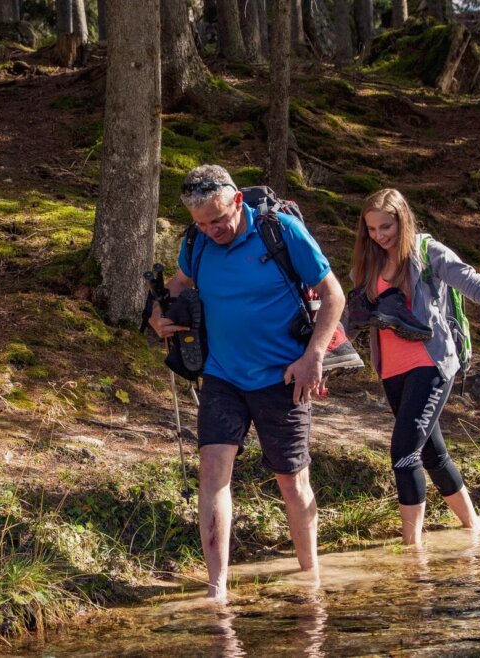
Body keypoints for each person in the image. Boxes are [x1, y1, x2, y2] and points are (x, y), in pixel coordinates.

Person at [148, 164, 348, 601]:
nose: (212, 230)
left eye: (218, 220)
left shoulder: (282, 232)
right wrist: (160, 315)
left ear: (237, 201)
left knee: (291, 479)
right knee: (213, 470)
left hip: (283, 376)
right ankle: (216, 587)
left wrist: (313, 357)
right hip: (221, 376)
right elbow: (178, 285)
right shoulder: (196, 242)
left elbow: (333, 293)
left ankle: (310, 576)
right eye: (201, 223)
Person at [345, 188, 480, 546]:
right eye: (372, 229)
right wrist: (319, 359)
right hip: (392, 369)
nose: (380, 236)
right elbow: (350, 319)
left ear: (403, 219)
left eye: (387, 227)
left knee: (403, 452)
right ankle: (474, 527)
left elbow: (478, 287)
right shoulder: (367, 265)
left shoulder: (429, 252)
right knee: (431, 452)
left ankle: (412, 548)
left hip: (431, 363)